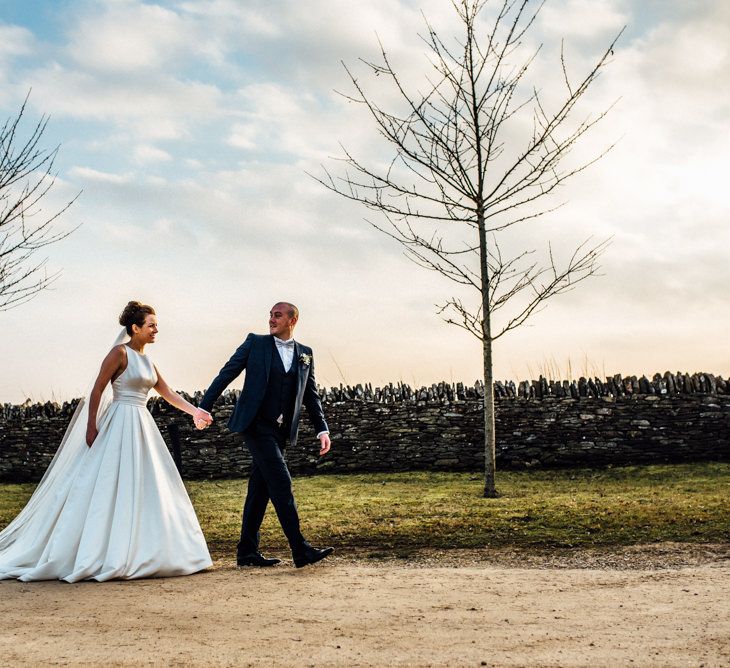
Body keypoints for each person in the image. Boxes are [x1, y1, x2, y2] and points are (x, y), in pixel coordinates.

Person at [0, 301, 212, 582]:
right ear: (135, 328)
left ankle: (149, 549)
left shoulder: (149, 362)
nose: (156, 330)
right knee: (108, 481)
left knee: (149, 484)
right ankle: (100, 551)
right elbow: (98, 388)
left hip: (142, 424)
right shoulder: (119, 353)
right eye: (151, 325)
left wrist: (195, 410)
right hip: (119, 420)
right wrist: (91, 424)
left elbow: (167, 392)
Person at [193, 302, 333, 568]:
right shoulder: (255, 343)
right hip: (255, 425)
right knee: (281, 481)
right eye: (270, 315)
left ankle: (247, 552)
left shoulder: (306, 353)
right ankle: (300, 549)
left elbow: (310, 394)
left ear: (293, 320)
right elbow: (227, 373)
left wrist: (322, 429)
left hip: (280, 430)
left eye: (277, 315)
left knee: (259, 489)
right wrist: (204, 406)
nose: (271, 319)